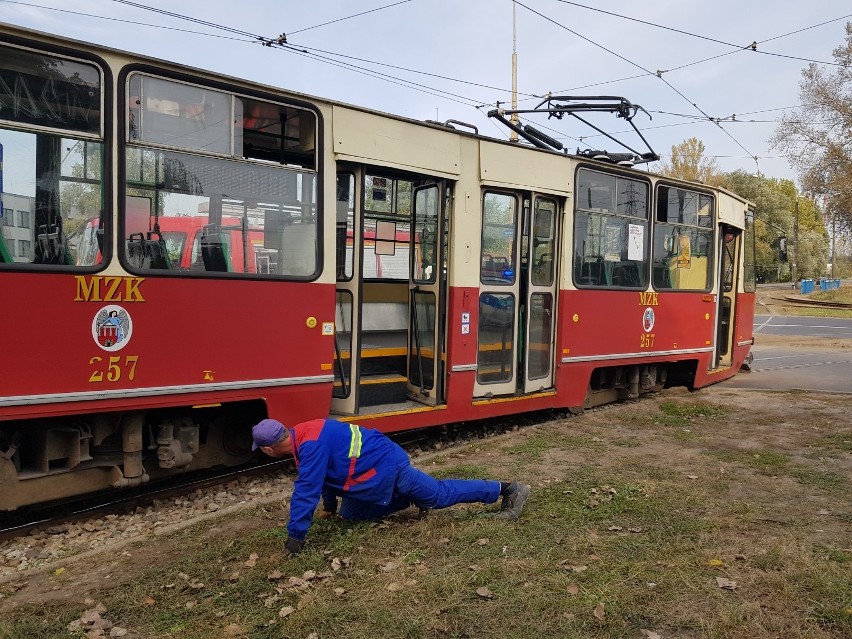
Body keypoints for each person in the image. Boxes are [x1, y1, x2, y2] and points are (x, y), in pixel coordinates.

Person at [252, 418, 531, 554]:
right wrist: (329, 507)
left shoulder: (309, 446)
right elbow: (324, 477)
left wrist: (295, 538)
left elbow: (306, 489)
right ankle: (404, 498)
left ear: (267, 449)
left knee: (437, 495)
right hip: (374, 469)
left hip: (388, 466)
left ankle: (507, 489)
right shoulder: (303, 435)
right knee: (351, 514)